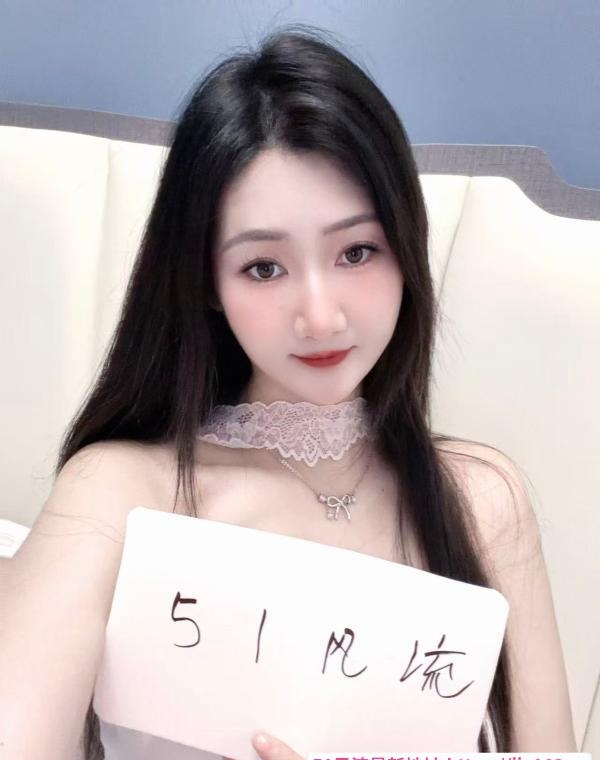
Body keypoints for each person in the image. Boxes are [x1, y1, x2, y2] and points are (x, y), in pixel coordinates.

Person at [0, 23, 576, 760]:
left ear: (406, 249)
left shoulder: (484, 499)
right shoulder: (120, 493)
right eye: (264, 268)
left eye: (357, 251)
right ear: (206, 283)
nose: (321, 316)